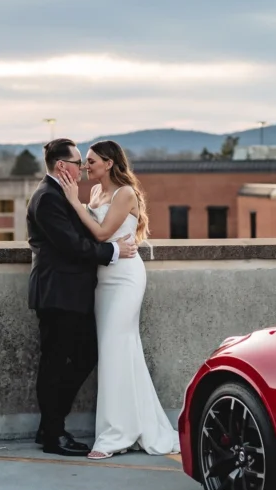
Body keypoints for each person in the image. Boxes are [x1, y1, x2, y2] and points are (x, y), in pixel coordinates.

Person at [58, 139, 180, 459]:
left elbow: (100, 234)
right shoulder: (96, 193)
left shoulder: (125, 193)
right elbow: (91, 236)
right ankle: (136, 426)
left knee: (115, 347)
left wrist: (74, 203)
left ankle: (114, 436)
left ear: (109, 163)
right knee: (122, 350)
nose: (86, 166)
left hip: (126, 278)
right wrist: (81, 204)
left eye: (91, 160)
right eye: (84, 161)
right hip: (103, 279)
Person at [27, 138, 138, 457]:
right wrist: (114, 250)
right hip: (58, 292)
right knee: (57, 364)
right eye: (78, 163)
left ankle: (50, 426)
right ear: (62, 166)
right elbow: (72, 246)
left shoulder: (58, 193)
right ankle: (53, 433)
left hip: (68, 292)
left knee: (73, 358)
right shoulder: (48, 197)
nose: (83, 168)